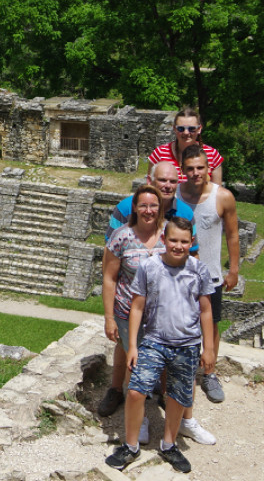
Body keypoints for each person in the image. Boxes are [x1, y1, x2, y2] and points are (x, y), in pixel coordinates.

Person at [105, 217, 215, 474]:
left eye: (184, 241)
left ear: (192, 242)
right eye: (173, 240)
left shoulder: (199, 270)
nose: (178, 246)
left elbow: (206, 311)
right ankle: (130, 445)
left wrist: (208, 348)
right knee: (135, 391)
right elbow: (137, 306)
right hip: (154, 340)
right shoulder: (149, 266)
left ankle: (169, 444)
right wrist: (132, 345)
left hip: (186, 344)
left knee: (178, 396)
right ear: (164, 240)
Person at [98, 185, 166, 445]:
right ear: (135, 208)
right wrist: (109, 317)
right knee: (135, 365)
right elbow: (109, 278)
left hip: (161, 315)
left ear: (159, 208)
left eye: (153, 206)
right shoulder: (122, 236)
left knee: (156, 363)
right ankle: (140, 420)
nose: (148, 211)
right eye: (143, 206)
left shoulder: (167, 234)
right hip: (127, 312)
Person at [176, 144, 239, 403]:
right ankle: (178, 372)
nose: (195, 173)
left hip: (210, 275)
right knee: (177, 323)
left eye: (200, 167)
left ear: (208, 168)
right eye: (190, 168)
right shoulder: (175, 195)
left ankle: (209, 373)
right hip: (178, 275)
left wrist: (234, 268)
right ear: (183, 170)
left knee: (211, 326)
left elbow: (233, 234)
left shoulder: (222, 196)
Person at [148, 107, 223, 184]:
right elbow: (150, 186)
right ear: (174, 129)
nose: (186, 132)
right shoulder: (160, 153)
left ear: (199, 129)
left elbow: (217, 191)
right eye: (181, 129)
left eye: (191, 128)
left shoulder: (212, 154)